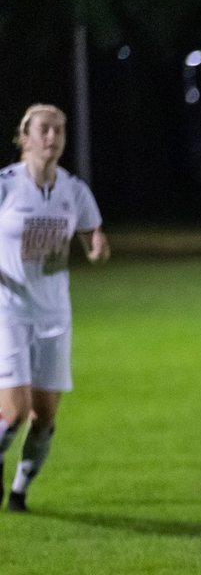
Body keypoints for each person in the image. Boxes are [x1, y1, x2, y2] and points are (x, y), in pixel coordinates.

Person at [0, 104, 109, 512]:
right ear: (24, 137)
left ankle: (19, 492)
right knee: (14, 412)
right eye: (45, 129)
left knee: (44, 419)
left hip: (54, 316)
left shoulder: (74, 190)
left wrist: (97, 247)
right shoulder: (6, 186)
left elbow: (92, 234)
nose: (53, 137)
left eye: (59, 130)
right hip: (9, 311)